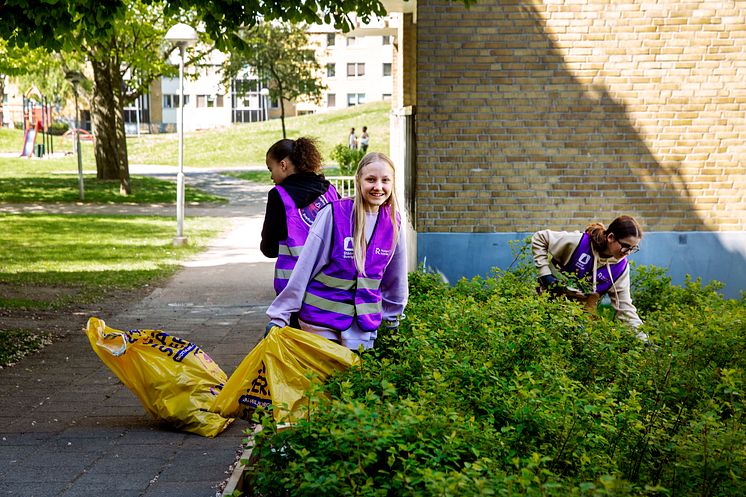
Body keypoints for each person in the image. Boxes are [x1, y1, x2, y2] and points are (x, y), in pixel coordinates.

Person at [266, 152, 408, 350]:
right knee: (323, 379)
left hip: (361, 327)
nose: (378, 187)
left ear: (393, 184)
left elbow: (397, 279)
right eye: (370, 179)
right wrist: (280, 316)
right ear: (358, 180)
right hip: (320, 321)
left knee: (353, 380)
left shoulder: (394, 224)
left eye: (385, 180)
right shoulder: (334, 214)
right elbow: (304, 268)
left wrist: (393, 320)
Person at [531, 215, 647, 341]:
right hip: (548, 297)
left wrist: (643, 339)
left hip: (580, 310)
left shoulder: (620, 268)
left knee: (583, 341)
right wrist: (545, 275)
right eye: (625, 246)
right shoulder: (579, 242)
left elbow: (625, 308)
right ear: (611, 237)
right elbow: (540, 237)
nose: (628, 252)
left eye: (633, 248)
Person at [261, 137, 339, 304]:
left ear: (283, 165)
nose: (271, 177)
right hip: (330, 287)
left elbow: (269, 249)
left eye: (270, 169)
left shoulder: (278, 196)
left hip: (292, 291)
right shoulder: (331, 191)